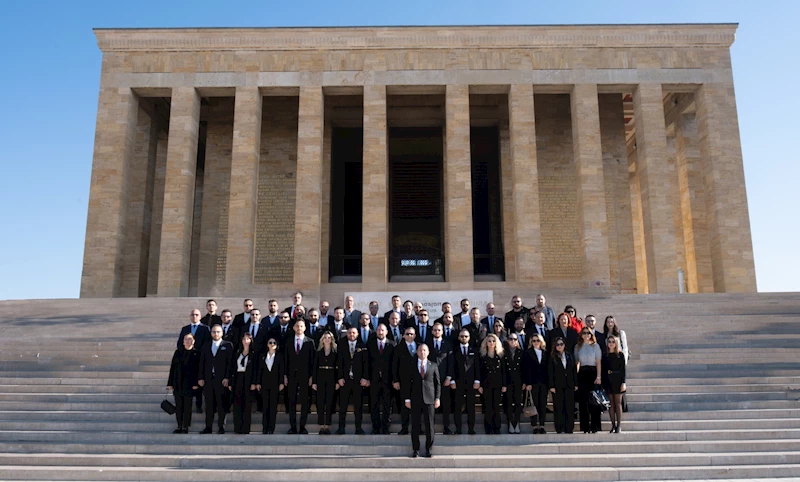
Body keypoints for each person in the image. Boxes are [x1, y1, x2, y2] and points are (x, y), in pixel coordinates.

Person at [404, 343, 440, 458]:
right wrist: (407, 399)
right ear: (417, 352)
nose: (422, 352)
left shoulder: (433, 365)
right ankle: (416, 449)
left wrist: (437, 398)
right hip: (415, 399)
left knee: (430, 426)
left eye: (424, 350)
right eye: (420, 350)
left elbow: (437, 384)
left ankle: (429, 449)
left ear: (428, 352)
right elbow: (407, 383)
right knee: (415, 425)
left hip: (429, 399)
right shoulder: (411, 365)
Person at [198, 325, 234, 434]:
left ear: (222, 333)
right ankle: (208, 427)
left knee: (221, 404)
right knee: (209, 405)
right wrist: (200, 377)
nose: (216, 334)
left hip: (221, 380)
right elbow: (201, 363)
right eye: (214, 332)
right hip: (208, 380)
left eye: (218, 332)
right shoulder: (206, 346)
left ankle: (221, 427)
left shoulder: (228, 345)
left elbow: (230, 363)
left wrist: (227, 377)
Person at [284, 319, 315, 434]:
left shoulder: (310, 342)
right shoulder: (288, 342)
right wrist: (285, 375)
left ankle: (302, 426)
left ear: (305, 328)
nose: (299, 328)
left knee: (304, 402)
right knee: (291, 401)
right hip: (291, 376)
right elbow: (285, 360)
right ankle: (293, 427)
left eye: (301, 326)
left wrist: (312, 376)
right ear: (293, 328)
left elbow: (312, 361)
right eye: (297, 326)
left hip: (305, 376)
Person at [177, 309, 210, 413]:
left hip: (199, 359)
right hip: (187, 359)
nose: (194, 316)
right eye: (193, 314)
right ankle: (187, 404)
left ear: (200, 316)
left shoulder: (205, 329)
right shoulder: (185, 329)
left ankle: (199, 405)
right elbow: (179, 344)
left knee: (199, 382)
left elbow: (207, 343)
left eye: (197, 315)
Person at [337, 327, 368, 435]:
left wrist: (365, 377)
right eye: (349, 333)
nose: (351, 334)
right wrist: (339, 377)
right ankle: (341, 428)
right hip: (345, 380)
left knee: (358, 406)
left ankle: (358, 428)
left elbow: (366, 363)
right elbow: (339, 362)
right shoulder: (341, 344)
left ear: (358, 334)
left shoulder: (362, 346)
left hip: (358, 380)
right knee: (343, 405)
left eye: (354, 333)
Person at [167, 333, 200, 433]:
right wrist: (170, 383)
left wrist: (196, 383)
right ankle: (179, 426)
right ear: (183, 341)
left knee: (187, 406)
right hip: (178, 383)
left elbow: (199, 370)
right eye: (186, 339)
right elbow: (172, 368)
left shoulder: (197, 353)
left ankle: (186, 426)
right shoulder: (178, 352)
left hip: (190, 384)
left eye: (190, 339)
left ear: (193, 341)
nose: (188, 341)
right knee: (179, 406)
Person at [451, 329, 480, 435]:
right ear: (458, 337)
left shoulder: (474, 350)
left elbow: (477, 366)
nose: (464, 338)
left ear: (469, 338)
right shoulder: (454, 350)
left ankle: (471, 428)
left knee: (471, 406)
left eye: (466, 336)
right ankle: (458, 428)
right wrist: (452, 380)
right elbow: (452, 366)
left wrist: (477, 380)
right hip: (458, 382)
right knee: (457, 406)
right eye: (462, 336)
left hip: (471, 382)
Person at [368, 324, 396, 434]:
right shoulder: (370, 344)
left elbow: (394, 364)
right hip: (374, 379)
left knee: (387, 405)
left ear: (386, 332)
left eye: (382, 330)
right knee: (374, 404)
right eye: (379, 330)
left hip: (387, 380)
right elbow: (367, 362)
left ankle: (385, 427)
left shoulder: (392, 345)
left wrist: (394, 379)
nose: (380, 332)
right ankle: (375, 427)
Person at [575, 328, 603, 433]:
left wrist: (599, 376)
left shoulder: (595, 346)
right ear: (581, 335)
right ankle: (585, 427)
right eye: (584, 333)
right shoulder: (577, 347)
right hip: (582, 373)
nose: (586, 335)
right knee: (583, 402)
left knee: (594, 401)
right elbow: (577, 362)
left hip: (593, 373)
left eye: (588, 333)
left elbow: (598, 362)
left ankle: (595, 426)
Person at [428, 322, 453, 434]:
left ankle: (446, 427)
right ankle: (430, 427)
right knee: (430, 405)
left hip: (444, 379)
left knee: (446, 404)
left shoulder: (447, 344)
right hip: (430, 380)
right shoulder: (427, 344)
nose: (437, 332)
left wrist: (449, 377)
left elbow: (451, 362)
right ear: (432, 331)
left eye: (439, 330)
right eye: (435, 330)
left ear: (442, 331)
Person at [549, 336, 578, 434]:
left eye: (561, 344)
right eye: (557, 344)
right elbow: (550, 372)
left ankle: (569, 428)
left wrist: (575, 383)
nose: (559, 346)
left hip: (569, 384)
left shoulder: (569, 355)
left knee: (569, 407)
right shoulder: (552, 357)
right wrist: (551, 386)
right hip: (557, 386)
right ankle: (559, 427)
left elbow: (573, 370)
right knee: (559, 407)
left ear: (564, 345)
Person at [478, 334, 506, 434]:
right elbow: (479, 371)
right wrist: (480, 385)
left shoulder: (500, 355)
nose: (491, 343)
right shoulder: (482, 355)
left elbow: (503, 371)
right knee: (488, 407)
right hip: (486, 384)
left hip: (498, 384)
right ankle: (488, 428)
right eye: (489, 341)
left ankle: (497, 427)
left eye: (493, 341)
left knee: (496, 407)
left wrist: (504, 384)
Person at [392, 326, 418, 435]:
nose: (410, 336)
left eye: (412, 334)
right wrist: (395, 380)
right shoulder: (398, 348)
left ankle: (418, 428)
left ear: (415, 335)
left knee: (417, 406)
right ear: (403, 335)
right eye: (407, 334)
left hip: (418, 381)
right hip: (404, 381)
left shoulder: (421, 346)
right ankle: (405, 427)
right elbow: (394, 365)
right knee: (405, 406)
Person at [312, 330, 338, 435]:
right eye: (325, 338)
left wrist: (337, 381)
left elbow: (338, 368)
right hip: (320, 377)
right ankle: (321, 425)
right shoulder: (318, 352)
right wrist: (314, 382)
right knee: (320, 402)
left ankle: (327, 425)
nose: (327, 339)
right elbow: (314, 368)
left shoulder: (335, 352)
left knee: (329, 402)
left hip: (331, 377)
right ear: (322, 340)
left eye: (329, 338)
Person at [230, 332, 256, 434]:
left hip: (248, 380)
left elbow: (255, 369)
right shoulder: (237, 352)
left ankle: (245, 428)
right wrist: (231, 382)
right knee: (237, 404)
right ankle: (237, 427)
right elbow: (233, 368)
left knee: (247, 405)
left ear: (251, 340)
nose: (246, 341)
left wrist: (254, 382)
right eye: (244, 339)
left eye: (248, 339)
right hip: (238, 379)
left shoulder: (254, 354)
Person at [522, 333, 549, 433]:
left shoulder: (545, 352)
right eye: (534, 341)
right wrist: (527, 383)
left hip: (543, 382)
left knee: (542, 404)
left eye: (537, 340)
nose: (536, 342)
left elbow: (548, 368)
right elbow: (526, 369)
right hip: (532, 382)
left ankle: (542, 425)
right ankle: (534, 426)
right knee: (534, 404)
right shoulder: (528, 353)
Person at [256, 337, 284, 434]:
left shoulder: (279, 356)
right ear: (267, 344)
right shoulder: (262, 356)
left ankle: (271, 428)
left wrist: (281, 383)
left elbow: (281, 370)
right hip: (264, 384)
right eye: (270, 342)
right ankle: (265, 428)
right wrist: (258, 382)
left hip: (275, 384)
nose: (272, 344)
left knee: (273, 407)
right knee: (265, 407)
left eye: (274, 342)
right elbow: (259, 370)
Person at [602, 335, 627, 434]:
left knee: (617, 403)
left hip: (618, 380)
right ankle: (613, 425)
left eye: (613, 342)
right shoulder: (605, 355)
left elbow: (623, 370)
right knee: (611, 404)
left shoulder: (620, 355)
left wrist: (623, 382)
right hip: (608, 380)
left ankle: (619, 425)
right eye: (609, 342)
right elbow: (603, 370)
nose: (611, 343)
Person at [504, 332, 524, 434]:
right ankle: (510, 423)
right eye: (511, 339)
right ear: (507, 340)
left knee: (517, 403)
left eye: (515, 339)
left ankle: (517, 422)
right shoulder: (503, 353)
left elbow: (525, 369)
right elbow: (502, 370)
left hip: (518, 382)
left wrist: (525, 382)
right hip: (507, 382)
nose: (513, 341)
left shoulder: (521, 353)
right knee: (508, 403)